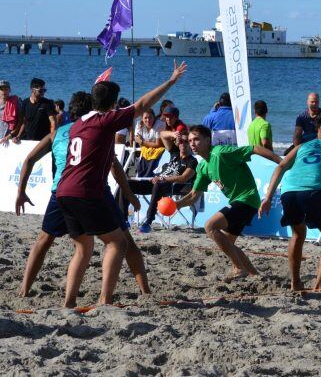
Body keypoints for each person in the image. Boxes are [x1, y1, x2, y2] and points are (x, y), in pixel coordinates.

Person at [55, 61, 187, 308]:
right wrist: (170, 81)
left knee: (83, 248)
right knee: (118, 242)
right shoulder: (105, 121)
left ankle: (69, 302)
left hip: (63, 190)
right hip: (86, 191)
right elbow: (143, 105)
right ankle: (105, 300)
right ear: (114, 104)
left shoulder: (79, 124)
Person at [16, 91, 150, 297]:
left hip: (60, 192)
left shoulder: (57, 133)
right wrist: (128, 193)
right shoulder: (94, 129)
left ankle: (24, 289)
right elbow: (115, 166)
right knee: (123, 241)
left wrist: (21, 192)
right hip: (93, 190)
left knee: (45, 241)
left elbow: (29, 160)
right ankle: (144, 291)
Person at [259, 114, 321, 291]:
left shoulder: (303, 146)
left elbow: (281, 166)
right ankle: (318, 287)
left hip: (288, 191)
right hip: (313, 192)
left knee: (298, 234)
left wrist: (267, 197)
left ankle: (295, 282)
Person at [175, 125, 282, 282]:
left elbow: (254, 148)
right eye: (190, 140)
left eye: (196, 139)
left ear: (207, 140)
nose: (192, 143)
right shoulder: (203, 166)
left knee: (210, 226)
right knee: (228, 243)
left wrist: (280, 162)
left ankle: (238, 268)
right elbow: (193, 196)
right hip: (238, 202)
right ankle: (254, 274)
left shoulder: (221, 153)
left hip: (247, 200)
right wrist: (176, 205)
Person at [136, 132, 198, 233]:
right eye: (181, 141)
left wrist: (163, 179)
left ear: (190, 144)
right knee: (127, 184)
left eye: (186, 142)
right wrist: (174, 135)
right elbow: (162, 135)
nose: (183, 144)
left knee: (158, 184)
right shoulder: (174, 153)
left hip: (174, 187)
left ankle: (148, 221)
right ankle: (122, 218)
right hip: (158, 182)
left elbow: (184, 178)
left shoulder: (192, 161)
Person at [14, 78, 56, 142]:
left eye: (44, 90)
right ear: (33, 90)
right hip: (28, 140)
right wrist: (18, 136)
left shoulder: (47, 103)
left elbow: (53, 122)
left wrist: (52, 138)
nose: (43, 93)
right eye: (41, 90)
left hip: (43, 140)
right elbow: (23, 123)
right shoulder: (25, 103)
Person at [134, 109, 166, 177]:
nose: (148, 120)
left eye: (150, 117)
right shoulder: (139, 125)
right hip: (145, 151)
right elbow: (138, 140)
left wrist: (142, 142)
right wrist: (143, 143)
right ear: (142, 118)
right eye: (145, 118)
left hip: (159, 151)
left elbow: (158, 144)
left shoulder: (159, 125)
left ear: (154, 117)